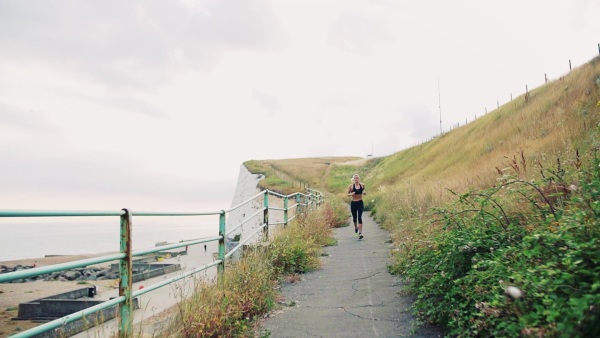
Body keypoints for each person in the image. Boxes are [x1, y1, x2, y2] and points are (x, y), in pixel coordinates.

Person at [347, 173, 366, 239]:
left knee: (359, 217)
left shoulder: (362, 185)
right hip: (353, 203)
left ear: (359, 179)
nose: (356, 179)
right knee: (354, 218)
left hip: (360, 202)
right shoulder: (351, 186)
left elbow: (364, 190)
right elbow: (347, 194)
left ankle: (360, 233)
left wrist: (364, 192)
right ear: (353, 179)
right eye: (355, 178)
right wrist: (351, 194)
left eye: (357, 178)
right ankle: (356, 228)